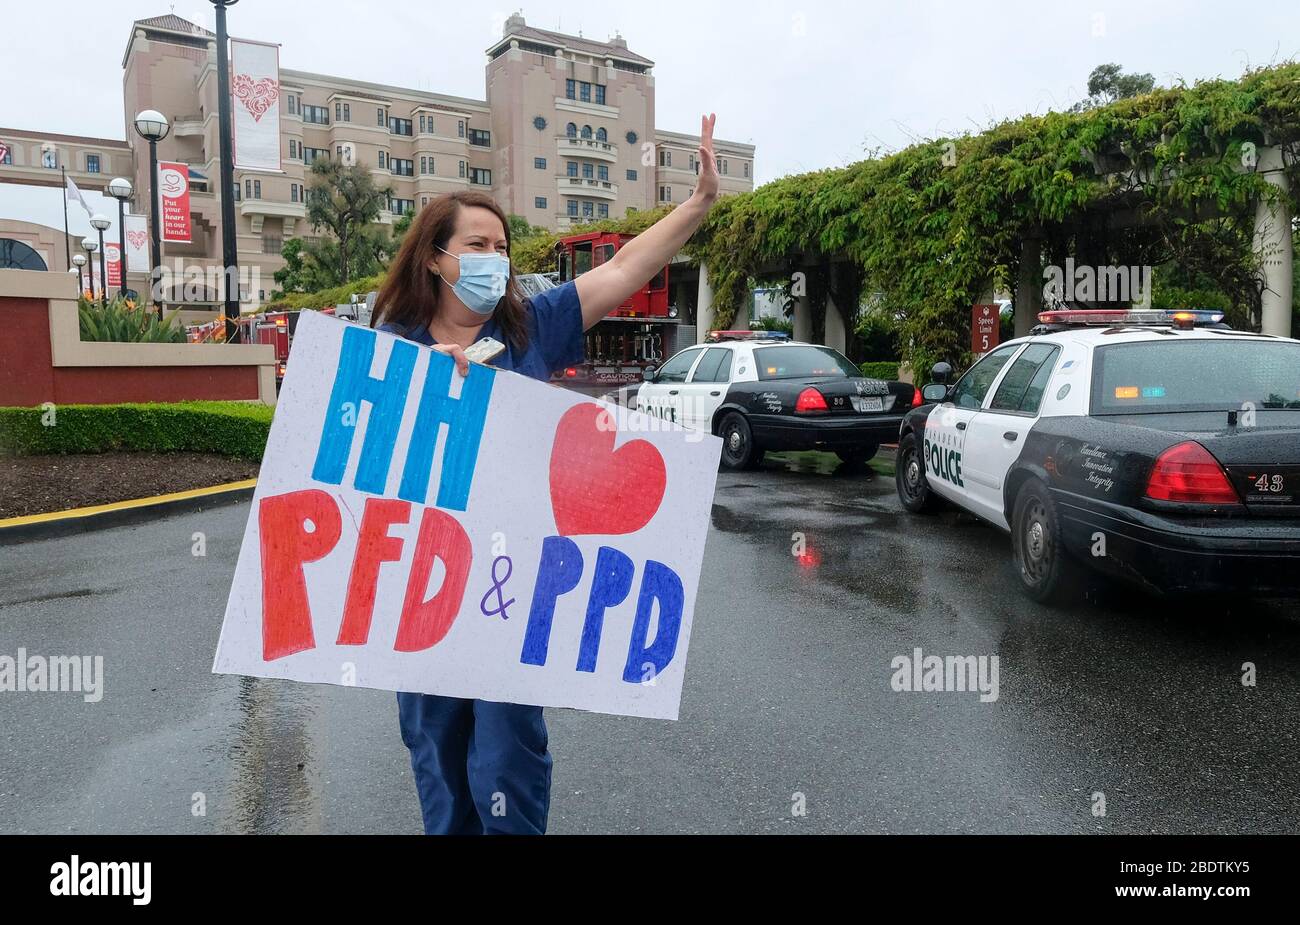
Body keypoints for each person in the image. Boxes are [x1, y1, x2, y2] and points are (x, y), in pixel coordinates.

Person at [372, 113, 723, 835]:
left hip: (509, 583)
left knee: (507, 755)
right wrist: (418, 386)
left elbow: (624, 270)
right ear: (436, 259)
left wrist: (695, 207)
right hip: (425, 586)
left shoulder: (531, 327)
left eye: (501, 247)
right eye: (477, 245)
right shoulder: (389, 347)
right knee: (438, 750)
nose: (494, 259)